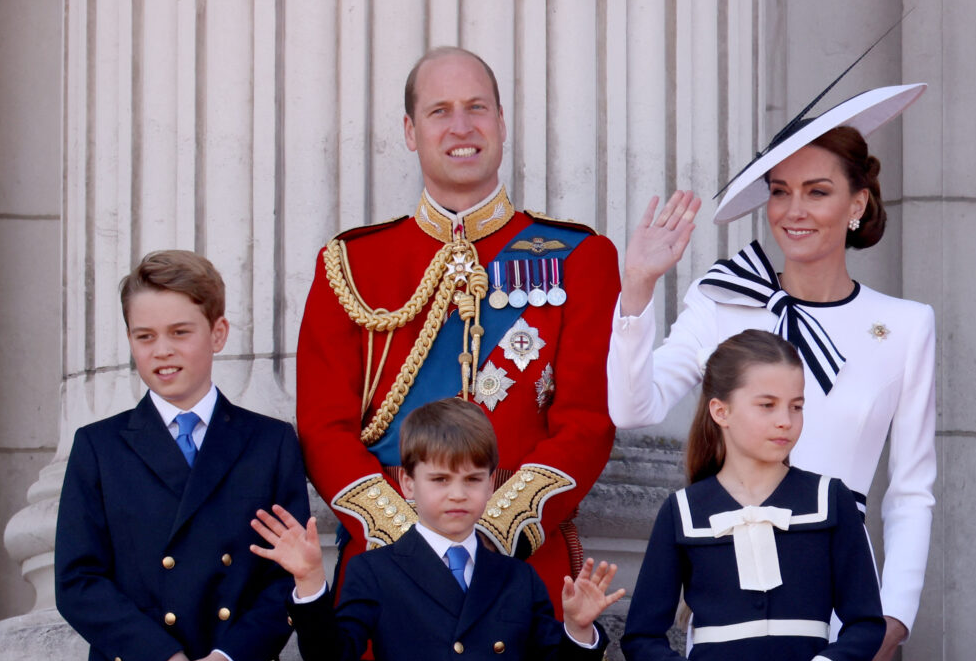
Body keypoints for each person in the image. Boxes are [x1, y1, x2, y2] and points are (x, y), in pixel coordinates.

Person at [607, 84, 934, 661]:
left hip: (843, 597)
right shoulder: (724, 301)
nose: (794, 211)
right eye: (780, 192)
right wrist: (637, 289)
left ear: (857, 204)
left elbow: (909, 491)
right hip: (728, 589)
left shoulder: (906, 326)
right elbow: (634, 408)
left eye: (818, 191)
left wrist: (891, 621)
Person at [296, 46, 620, 613]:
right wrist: (409, 541)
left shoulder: (580, 258)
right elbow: (323, 429)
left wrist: (491, 532)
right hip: (387, 571)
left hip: (520, 565)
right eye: (439, 111)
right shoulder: (349, 265)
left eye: (477, 107)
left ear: (500, 122)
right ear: (410, 130)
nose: (461, 127)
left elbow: (588, 422)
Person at [55, 250, 312, 661]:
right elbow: (78, 581)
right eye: (145, 336)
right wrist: (162, 655)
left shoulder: (270, 443)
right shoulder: (98, 447)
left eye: (179, 332)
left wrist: (228, 655)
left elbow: (285, 577)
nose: (162, 350)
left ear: (218, 333)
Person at [251, 398, 625, 660]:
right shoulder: (374, 571)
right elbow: (331, 655)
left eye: (473, 479)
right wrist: (311, 583)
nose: (458, 495)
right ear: (409, 484)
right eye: (441, 480)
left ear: (492, 483)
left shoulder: (518, 578)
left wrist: (577, 629)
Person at [621, 330, 885, 660]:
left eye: (796, 406)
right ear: (721, 412)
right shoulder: (683, 511)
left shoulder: (831, 500)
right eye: (767, 405)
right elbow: (641, 637)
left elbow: (867, 622)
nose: (785, 421)